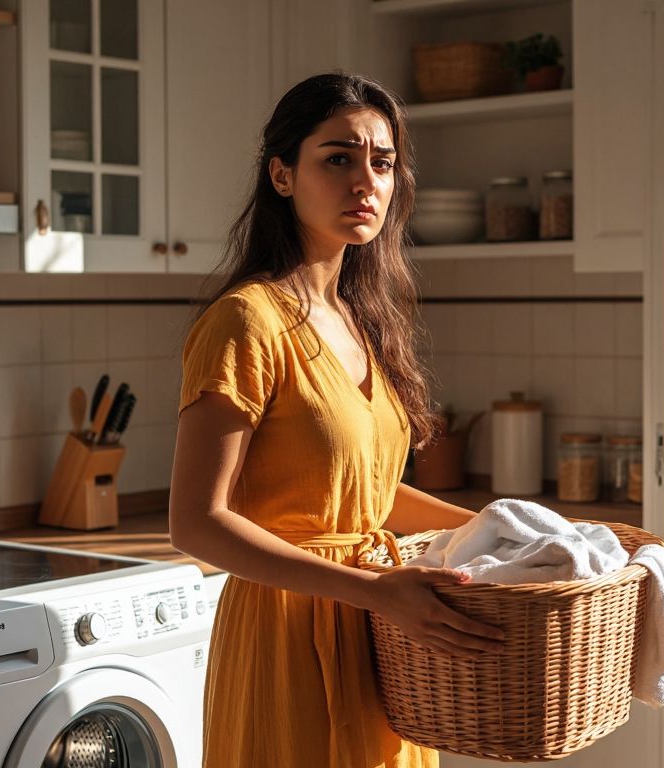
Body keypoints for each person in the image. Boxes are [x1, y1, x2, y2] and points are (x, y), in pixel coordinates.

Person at [169, 72, 505, 768]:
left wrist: (494, 532)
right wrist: (376, 590)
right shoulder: (246, 322)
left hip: (382, 637)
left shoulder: (362, 319)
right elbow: (197, 522)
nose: (366, 181)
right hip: (286, 635)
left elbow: (366, 495)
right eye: (338, 158)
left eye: (382, 162)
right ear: (282, 175)